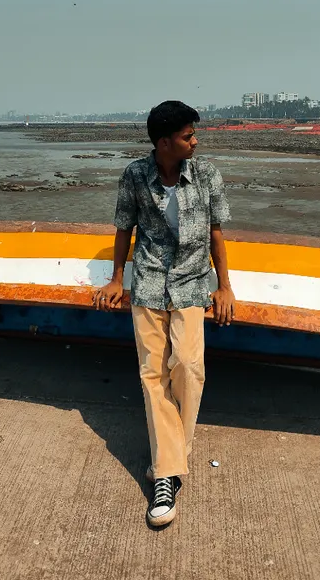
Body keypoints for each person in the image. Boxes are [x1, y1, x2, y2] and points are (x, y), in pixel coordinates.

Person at [92, 100, 235, 526]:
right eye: (188, 135)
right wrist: (117, 279)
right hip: (150, 281)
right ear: (163, 142)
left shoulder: (206, 174)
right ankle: (167, 477)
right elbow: (124, 229)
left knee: (188, 367)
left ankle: (167, 459)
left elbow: (216, 233)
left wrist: (224, 287)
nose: (196, 140)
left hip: (192, 282)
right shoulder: (135, 175)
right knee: (152, 373)